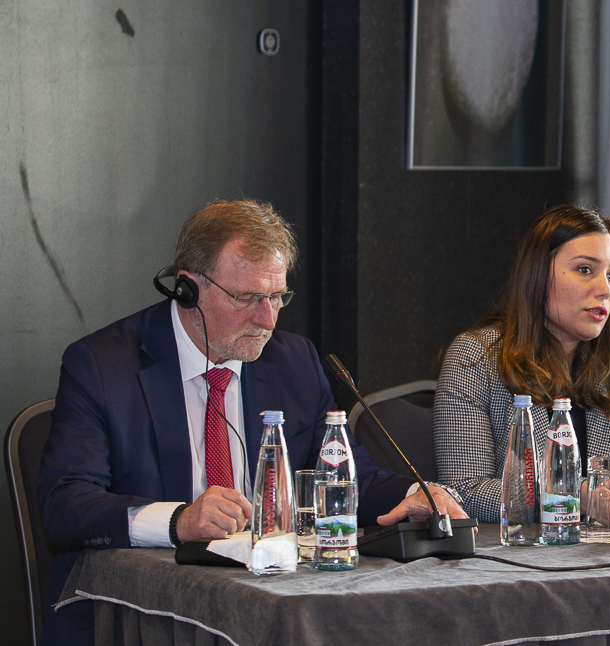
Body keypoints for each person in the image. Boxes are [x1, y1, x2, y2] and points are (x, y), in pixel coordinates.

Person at [38, 200, 466, 645]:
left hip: (269, 604)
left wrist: (415, 495)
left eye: (277, 297)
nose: (268, 319)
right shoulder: (103, 366)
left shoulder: (294, 360)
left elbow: (343, 476)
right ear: (188, 289)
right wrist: (179, 520)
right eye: (247, 298)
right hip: (145, 617)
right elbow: (64, 505)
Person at [433, 205, 610, 525]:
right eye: (585, 269)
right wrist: (571, 497)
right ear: (538, 276)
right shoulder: (476, 358)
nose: (604, 290)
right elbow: (463, 492)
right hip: (518, 549)